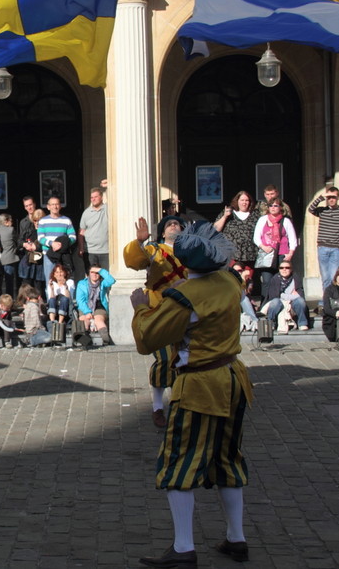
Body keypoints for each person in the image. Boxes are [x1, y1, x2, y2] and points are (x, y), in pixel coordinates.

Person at [130, 221, 254, 568]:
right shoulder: (231, 282)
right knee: (228, 458)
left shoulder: (185, 296)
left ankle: (183, 547)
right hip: (234, 378)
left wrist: (141, 306)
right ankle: (236, 538)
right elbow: (218, 283)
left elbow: (147, 339)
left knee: (180, 461)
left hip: (200, 384)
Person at [125, 215, 187, 428]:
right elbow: (135, 261)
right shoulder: (154, 250)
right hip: (157, 306)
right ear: (162, 232)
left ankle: (178, 404)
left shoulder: (189, 251)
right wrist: (140, 242)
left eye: (177, 223)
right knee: (164, 357)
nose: (173, 225)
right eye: (169, 224)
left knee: (182, 358)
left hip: (183, 309)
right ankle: (158, 407)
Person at [308, 186, 339, 292]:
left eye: (334, 197)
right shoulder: (323, 211)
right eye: (329, 197)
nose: (331, 199)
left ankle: (334, 300)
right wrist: (321, 197)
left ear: (338, 197)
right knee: (325, 278)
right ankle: (326, 301)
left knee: (334, 277)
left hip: (336, 248)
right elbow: (311, 209)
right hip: (322, 247)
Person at [253, 197, 298, 293]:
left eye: (275, 205)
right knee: (266, 281)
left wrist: (290, 254)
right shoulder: (262, 220)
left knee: (281, 280)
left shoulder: (286, 221)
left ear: (280, 207)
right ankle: (265, 303)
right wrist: (263, 247)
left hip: (282, 254)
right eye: (270, 205)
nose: (273, 208)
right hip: (267, 254)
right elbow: (256, 238)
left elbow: (293, 239)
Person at [213, 190, 260, 268]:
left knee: (247, 278)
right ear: (237, 201)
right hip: (232, 255)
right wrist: (225, 216)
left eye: (246, 200)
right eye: (242, 200)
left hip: (251, 256)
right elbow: (215, 229)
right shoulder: (229, 213)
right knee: (233, 278)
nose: (244, 202)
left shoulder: (255, 214)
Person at [259, 261, 310, 332]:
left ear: (291, 269)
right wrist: (292, 295)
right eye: (281, 268)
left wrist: (283, 295)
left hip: (291, 305)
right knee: (275, 302)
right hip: (279, 304)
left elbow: (300, 295)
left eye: (287, 267)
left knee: (300, 301)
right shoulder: (275, 279)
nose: (284, 269)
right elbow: (274, 296)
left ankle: (302, 323)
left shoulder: (295, 278)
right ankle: (271, 323)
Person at [74, 262, 116, 347]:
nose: (94, 275)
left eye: (97, 273)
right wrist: (87, 312)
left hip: (99, 306)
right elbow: (80, 300)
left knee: (98, 320)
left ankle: (106, 341)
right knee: (84, 321)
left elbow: (112, 280)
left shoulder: (103, 283)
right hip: (85, 306)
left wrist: (100, 270)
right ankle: (86, 342)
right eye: (92, 272)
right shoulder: (81, 284)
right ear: (88, 274)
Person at [37, 196, 76, 282]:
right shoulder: (43, 221)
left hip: (63, 255)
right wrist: (52, 243)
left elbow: (73, 237)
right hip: (49, 255)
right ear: (48, 207)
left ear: (60, 206)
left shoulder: (66, 220)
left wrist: (63, 245)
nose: (55, 207)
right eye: (53, 204)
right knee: (50, 281)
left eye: (57, 204)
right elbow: (40, 238)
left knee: (65, 280)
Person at [79, 182, 110, 269]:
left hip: (105, 251)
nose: (93, 199)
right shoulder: (86, 213)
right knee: (92, 277)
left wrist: (108, 187)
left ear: (101, 197)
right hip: (90, 251)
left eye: (96, 197)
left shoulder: (107, 209)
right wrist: (81, 248)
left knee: (105, 276)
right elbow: (81, 231)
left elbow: (114, 199)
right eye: (92, 197)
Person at [17, 207, 45, 289]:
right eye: (35, 220)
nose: (37, 223)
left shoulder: (45, 231)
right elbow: (19, 242)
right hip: (28, 261)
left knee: (39, 286)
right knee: (26, 286)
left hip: (40, 262)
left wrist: (36, 247)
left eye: (39, 220)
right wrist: (25, 244)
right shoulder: (28, 230)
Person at [0, 213, 19, 297]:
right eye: (11, 221)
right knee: (9, 283)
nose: (12, 223)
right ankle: (10, 301)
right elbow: (17, 241)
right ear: (6, 222)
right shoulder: (11, 230)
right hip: (10, 259)